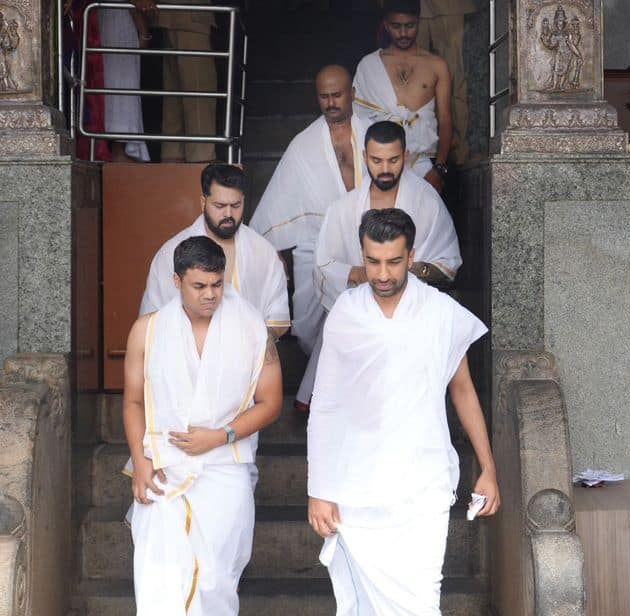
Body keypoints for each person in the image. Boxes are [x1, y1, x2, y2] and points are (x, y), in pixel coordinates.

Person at [308, 207, 499, 613]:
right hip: (356, 488)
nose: (382, 273)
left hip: (422, 487)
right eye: (372, 261)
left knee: (420, 604)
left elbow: (463, 390)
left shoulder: (440, 312)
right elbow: (325, 404)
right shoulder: (346, 311)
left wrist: (488, 467)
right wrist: (319, 490)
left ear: (412, 256)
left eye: (394, 262)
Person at [123, 235, 283, 615]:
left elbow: (271, 401)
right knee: (158, 576)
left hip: (225, 469)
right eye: (199, 286)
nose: (210, 295)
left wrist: (221, 435)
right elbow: (132, 401)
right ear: (177, 282)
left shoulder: (251, 327)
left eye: (217, 284)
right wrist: (139, 462)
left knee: (215, 580)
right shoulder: (147, 330)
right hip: (163, 468)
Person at [249, 65, 369, 412]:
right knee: (303, 327)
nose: (331, 102)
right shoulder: (303, 145)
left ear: (353, 93)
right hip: (316, 245)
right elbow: (277, 203)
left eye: (337, 94)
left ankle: (326, 396)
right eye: (324, 96)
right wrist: (273, 254)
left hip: (370, 244)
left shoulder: (373, 134)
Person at [313, 120, 461, 313]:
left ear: (405, 156)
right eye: (376, 160)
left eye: (393, 160)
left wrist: (410, 270)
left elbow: (448, 264)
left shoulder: (427, 201)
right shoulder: (343, 208)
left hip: (416, 314)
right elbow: (323, 263)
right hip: (362, 315)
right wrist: (360, 273)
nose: (385, 170)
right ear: (365, 157)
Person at [141, 164, 290, 338]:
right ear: (203, 202)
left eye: (236, 205)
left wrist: (254, 344)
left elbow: (278, 319)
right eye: (220, 205)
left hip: (247, 360)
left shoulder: (264, 253)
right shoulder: (170, 254)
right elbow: (153, 323)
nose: (228, 214)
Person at [353, 0, 453, 191]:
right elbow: (357, 122)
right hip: (380, 166)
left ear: (419, 22)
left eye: (410, 26)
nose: (404, 33)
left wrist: (439, 169)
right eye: (396, 26)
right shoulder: (369, 66)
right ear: (385, 24)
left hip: (424, 166)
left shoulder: (437, 65)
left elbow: (446, 122)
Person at [134, 0, 217, 162]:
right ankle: (201, 159)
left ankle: (173, 156)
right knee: (199, 91)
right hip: (189, 13)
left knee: (175, 94)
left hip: (174, 13)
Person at [417, 0, 477, 165]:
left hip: (449, 5)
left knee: (453, 75)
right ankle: (415, 145)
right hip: (410, 8)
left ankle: (458, 149)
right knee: (413, 74)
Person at [98, 0, 150, 161]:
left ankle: (117, 153)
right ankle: (119, 155)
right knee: (122, 90)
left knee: (113, 89)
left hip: (105, 18)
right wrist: (144, 32)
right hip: (119, 20)